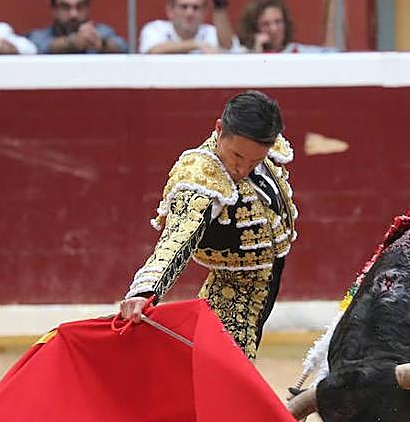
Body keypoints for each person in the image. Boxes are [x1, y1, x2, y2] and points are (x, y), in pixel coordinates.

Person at [118, 90, 295, 359]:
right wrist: (145, 292)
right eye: (237, 156)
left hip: (262, 293)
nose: (243, 169)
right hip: (231, 298)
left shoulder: (261, 147)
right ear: (219, 129)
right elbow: (176, 240)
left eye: (255, 161)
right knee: (228, 374)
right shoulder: (200, 178)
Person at [138, 0, 235, 54]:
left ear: (204, 12)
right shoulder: (155, 28)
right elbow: (152, 50)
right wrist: (195, 44)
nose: (190, 13)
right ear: (170, 10)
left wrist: (219, 6)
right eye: (184, 7)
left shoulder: (211, 32)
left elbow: (229, 49)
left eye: (196, 8)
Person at [27, 0, 127, 54]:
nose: (73, 14)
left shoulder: (102, 32)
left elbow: (123, 47)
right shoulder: (40, 35)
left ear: (87, 8)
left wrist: (101, 43)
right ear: (54, 10)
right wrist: (71, 43)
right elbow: (34, 47)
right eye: (65, 7)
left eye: (80, 6)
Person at [236, 0, 336, 54]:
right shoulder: (245, 54)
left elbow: (333, 55)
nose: (274, 29)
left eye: (278, 22)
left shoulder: (299, 52)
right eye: (266, 24)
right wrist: (257, 50)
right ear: (254, 27)